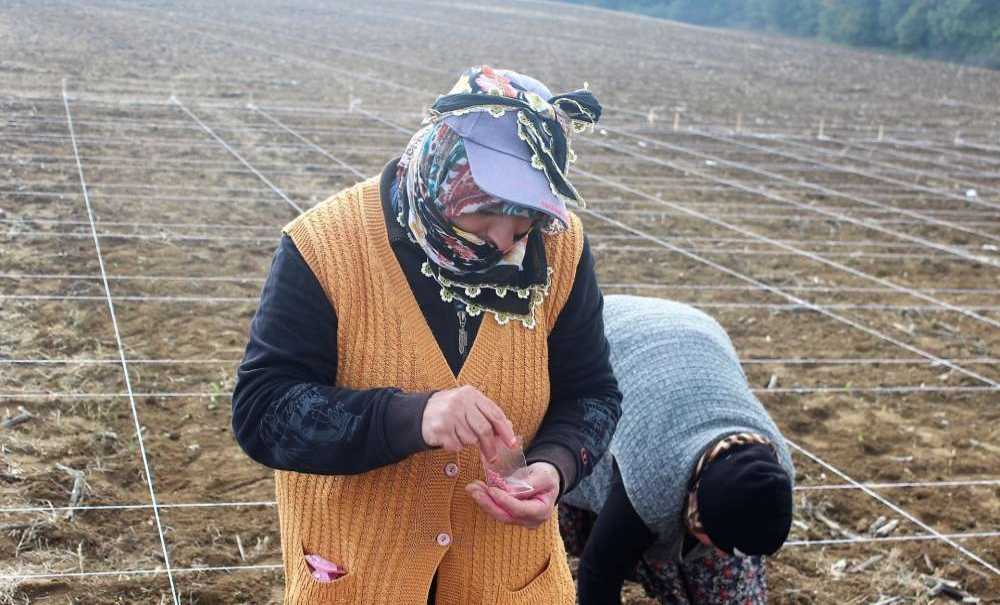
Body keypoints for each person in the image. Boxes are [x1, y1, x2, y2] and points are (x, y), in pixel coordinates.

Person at [231, 65, 622, 604]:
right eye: (486, 211)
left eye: (527, 216)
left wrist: (554, 466)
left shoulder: (559, 250)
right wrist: (415, 417)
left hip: (509, 583)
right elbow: (264, 412)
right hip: (362, 581)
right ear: (445, 172)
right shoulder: (324, 246)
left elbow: (592, 394)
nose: (507, 239)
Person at [558, 295, 795, 605]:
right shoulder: (651, 483)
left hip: (697, 338)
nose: (723, 553)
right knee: (597, 529)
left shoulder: (775, 474)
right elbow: (598, 571)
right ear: (696, 504)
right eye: (717, 541)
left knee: (725, 579)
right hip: (606, 339)